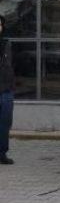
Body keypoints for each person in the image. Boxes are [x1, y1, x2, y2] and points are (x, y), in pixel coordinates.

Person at [0, 15, 14, 165]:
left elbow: (10, 66)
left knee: (5, 124)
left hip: (6, 90)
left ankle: (2, 153)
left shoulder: (6, 44)